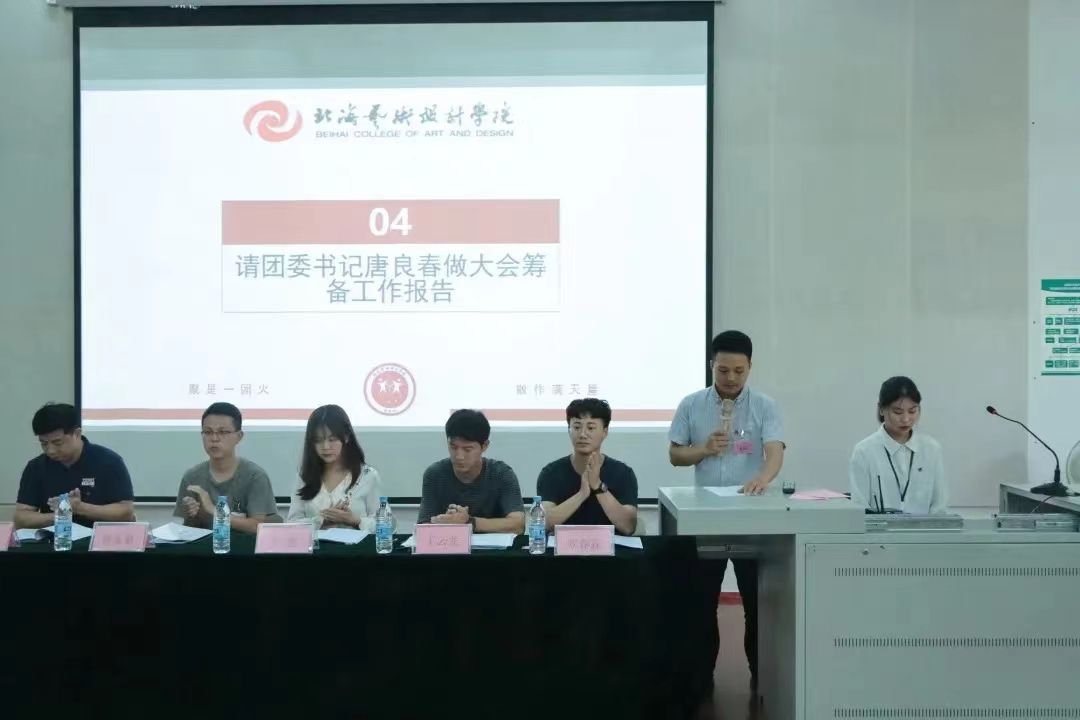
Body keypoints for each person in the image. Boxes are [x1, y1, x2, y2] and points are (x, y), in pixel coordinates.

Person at [668, 330, 785, 686]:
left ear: (750, 367)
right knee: (703, 604)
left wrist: (763, 478)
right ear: (711, 365)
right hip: (706, 520)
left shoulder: (764, 406)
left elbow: (775, 451)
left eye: (738, 370)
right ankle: (702, 678)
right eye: (723, 370)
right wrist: (703, 449)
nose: (731, 378)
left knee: (756, 605)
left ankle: (760, 678)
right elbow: (675, 455)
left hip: (752, 518)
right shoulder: (691, 404)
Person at [14, 402, 135, 530]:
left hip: (100, 539)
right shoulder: (36, 467)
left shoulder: (109, 462)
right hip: (56, 539)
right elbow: (21, 518)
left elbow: (126, 512)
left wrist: (80, 508)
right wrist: (61, 515)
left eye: (57, 443)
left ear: (77, 433)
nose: (50, 450)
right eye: (44, 443)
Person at [173, 402, 279, 534]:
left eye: (223, 432)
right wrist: (192, 515)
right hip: (206, 546)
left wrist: (214, 511)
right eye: (208, 432)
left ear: (239, 437)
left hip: (244, 546)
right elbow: (189, 530)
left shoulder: (255, 476)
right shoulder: (192, 477)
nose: (214, 438)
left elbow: (257, 526)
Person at [537, 398, 638, 535]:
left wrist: (597, 485)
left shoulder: (623, 473)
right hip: (565, 547)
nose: (583, 434)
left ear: (605, 431)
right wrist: (582, 494)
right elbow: (543, 523)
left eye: (590, 428)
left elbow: (628, 527)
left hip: (610, 548)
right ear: (569, 430)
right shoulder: (551, 473)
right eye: (577, 427)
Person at [850, 376, 947, 514]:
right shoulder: (864, 451)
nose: (906, 419)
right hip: (878, 528)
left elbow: (939, 506)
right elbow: (859, 509)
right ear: (881, 409)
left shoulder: (931, 449)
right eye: (898, 412)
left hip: (925, 528)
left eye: (912, 411)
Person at [418, 409, 525, 533]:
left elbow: (518, 525)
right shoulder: (435, 474)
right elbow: (423, 527)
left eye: (467, 449)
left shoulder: (501, 474)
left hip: (494, 545)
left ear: (484, 446)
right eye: (453, 447)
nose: (459, 456)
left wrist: (469, 522)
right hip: (449, 543)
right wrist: (445, 521)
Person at [287, 404, 381, 532]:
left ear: (346, 437)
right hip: (316, 545)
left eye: (332, 439)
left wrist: (355, 520)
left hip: (356, 545)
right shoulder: (304, 476)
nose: (325, 447)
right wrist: (319, 521)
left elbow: (384, 525)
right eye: (318, 440)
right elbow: (292, 523)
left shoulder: (367, 476)